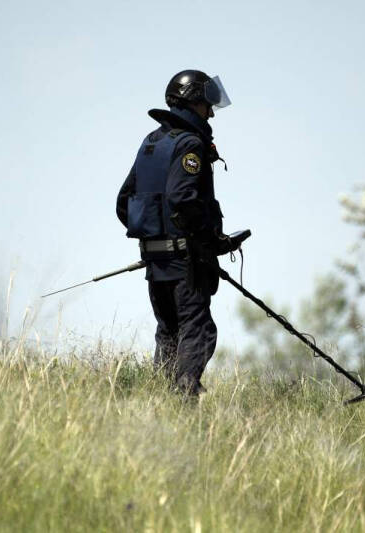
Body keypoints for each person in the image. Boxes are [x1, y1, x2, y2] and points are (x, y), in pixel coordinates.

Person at [116, 70, 231, 396]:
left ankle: (161, 400)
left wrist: (155, 239)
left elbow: (123, 203)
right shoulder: (190, 145)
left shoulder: (151, 143)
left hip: (156, 262)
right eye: (207, 105)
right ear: (193, 102)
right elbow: (183, 198)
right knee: (198, 330)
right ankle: (183, 399)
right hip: (185, 262)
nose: (210, 112)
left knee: (169, 331)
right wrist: (207, 240)